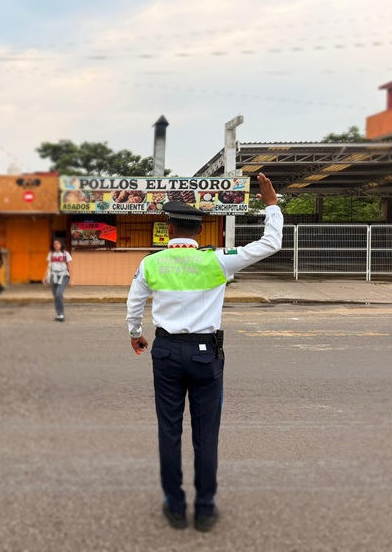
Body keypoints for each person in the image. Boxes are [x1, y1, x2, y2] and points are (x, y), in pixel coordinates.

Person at [126, 173, 283, 532]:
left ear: (168, 229)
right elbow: (270, 243)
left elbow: (134, 306)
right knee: (206, 435)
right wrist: (272, 206)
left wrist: (135, 335)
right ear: (199, 231)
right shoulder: (218, 260)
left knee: (169, 432)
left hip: (165, 352)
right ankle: (205, 509)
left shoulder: (151, 263)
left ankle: (175, 507)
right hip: (205, 355)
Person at [43, 239, 73, 322]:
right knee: (56, 296)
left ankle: (61, 314)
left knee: (58, 293)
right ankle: (59, 314)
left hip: (64, 276)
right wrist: (45, 277)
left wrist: (71, 279)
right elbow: (49, 266)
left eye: (58, 243)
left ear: (61, 244)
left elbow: (70, 267)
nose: (56, 245)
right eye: (54, 243)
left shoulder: (66, 254)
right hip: (53, 276)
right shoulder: (51, 254)